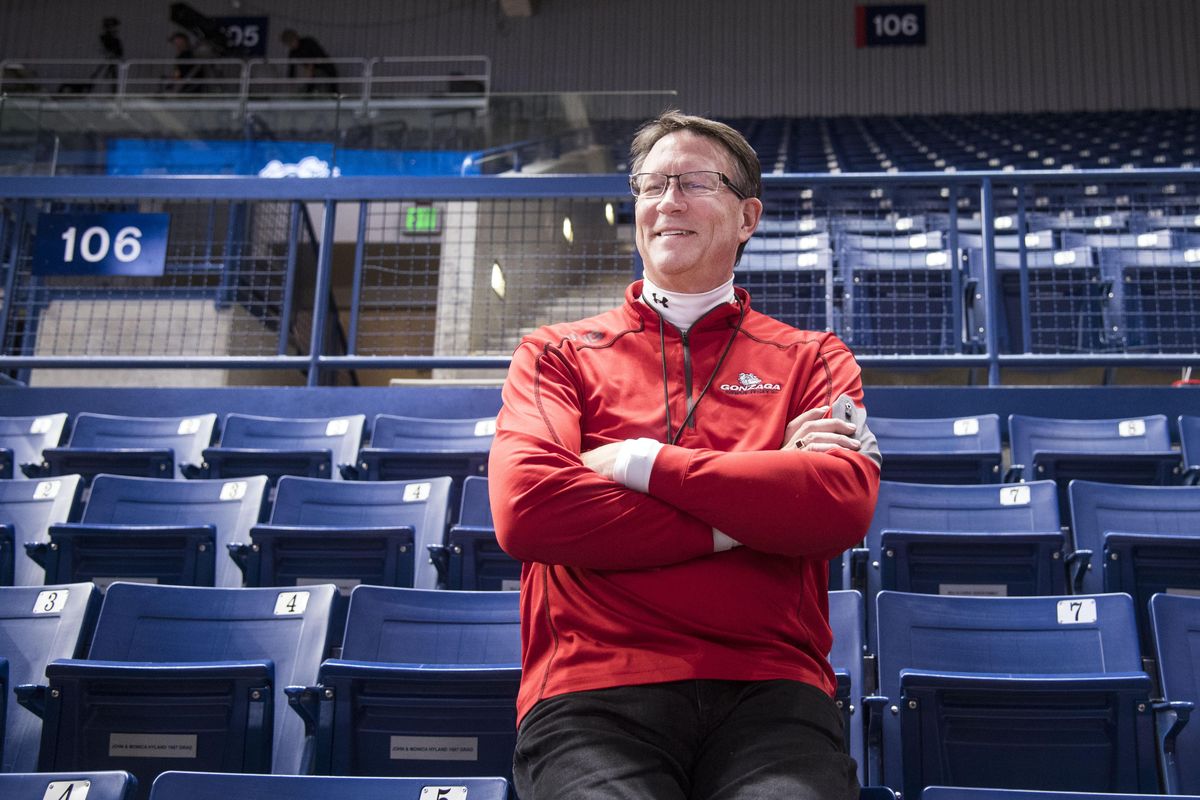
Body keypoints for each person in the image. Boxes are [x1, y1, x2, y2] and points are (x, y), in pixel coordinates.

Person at [488, 110, 882, 800]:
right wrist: (751, 507)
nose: (668, 201)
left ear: (747, 216)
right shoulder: (555, 354)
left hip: (771, 693)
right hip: (593, 692)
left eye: (696, 182)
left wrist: (639, 462)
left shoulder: (815, 358)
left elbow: (835, 506)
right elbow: (528, 511)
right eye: (652, 185)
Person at [280, 29, 337, 94]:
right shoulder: (293, 52)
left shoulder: (308, 42)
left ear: (296, 38)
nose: (291, 45)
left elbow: (318, 55)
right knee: (309, 90)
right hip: (313, 74)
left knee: (332, 89)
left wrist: (310, 67)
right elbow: (291, 68)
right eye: (288, 44)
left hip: (326, 68)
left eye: (292, 42)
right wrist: (290, 81)